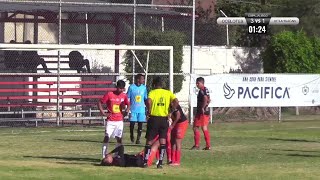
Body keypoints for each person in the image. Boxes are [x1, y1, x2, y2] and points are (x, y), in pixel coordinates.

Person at [143, 76, 178, 168]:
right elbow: (176, 101)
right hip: (164, 119)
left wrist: (149, 110)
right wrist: (171, 111)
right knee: (163, 140)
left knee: (149, 140)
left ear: (154, 84)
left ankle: (145, 162)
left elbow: (148, 101)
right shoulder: (168, 93)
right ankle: (160, 163)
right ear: (162, 85)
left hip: (154, 118)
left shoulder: (152, 92)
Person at [98, 80, 130, 159]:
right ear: (117, 87)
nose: (121, 90)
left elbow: (128, 104)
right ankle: (103, 156)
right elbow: (99, 103)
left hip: (119, 121)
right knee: (107, 137)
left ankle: (116, 155)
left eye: (123, 89)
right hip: (111, 120)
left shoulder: (124, 96)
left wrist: (126, 111)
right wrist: (103, 113)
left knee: (119, 139)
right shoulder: (109, 94)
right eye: (120, 88)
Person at [191, 77, 211, 150]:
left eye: (198, 83)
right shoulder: (206, 90)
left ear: (202, 83)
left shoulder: (202, 90)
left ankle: (197, 145)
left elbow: (205, 98)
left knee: (196, 127)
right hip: (203, 112)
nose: (197, 84)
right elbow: (209, 99)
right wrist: (206, 105)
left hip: (202, 112)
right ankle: (208, 146)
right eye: (196, 83)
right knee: (202, 127)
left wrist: (203, 107)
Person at [127, 74, 148, 144]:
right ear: (138, 79)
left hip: (141, 109)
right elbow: (128, 98)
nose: (143, 80)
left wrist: (147, 108)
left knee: (140, 124)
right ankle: (131, 134)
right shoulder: (131, 87)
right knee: (132, 124)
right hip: (133, 109)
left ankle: (138, 139)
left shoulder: (144, 88)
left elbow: (145, 98)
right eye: (142, 79)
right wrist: (128, 108)